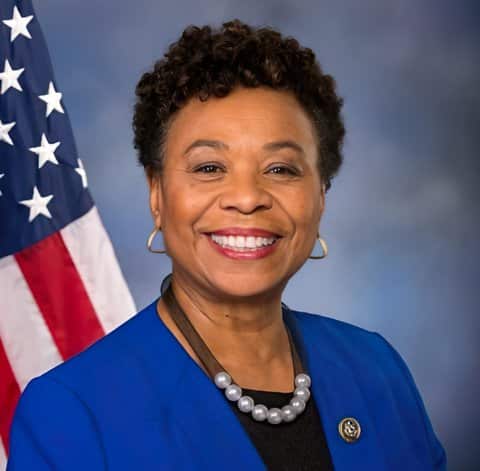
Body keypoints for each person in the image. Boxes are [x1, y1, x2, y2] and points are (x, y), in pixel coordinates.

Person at [7, 19, 446, 470]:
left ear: (321, 195)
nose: (247, 197)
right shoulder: (71, 411)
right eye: (209, 167)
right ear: (157, 195)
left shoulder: (377, 368)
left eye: (280, 169)